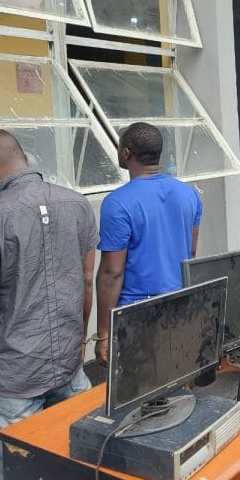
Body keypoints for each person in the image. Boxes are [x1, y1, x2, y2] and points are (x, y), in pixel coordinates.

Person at [0, 130, 97, 470]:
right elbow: (86, 281)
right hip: (68, 365)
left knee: (24, 471)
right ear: (26, 159)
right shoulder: (77, 204)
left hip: (12, 379)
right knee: (80, 464)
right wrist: (79, 342)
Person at [95, 122, 203, 365]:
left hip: (136, 316)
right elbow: (191, 251)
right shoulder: (188, 194)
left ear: (126, 153)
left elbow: (112, 273)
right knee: (175, 374)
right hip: (180, 306)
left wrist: (103, 334)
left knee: (137, 384)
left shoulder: (117, 203)